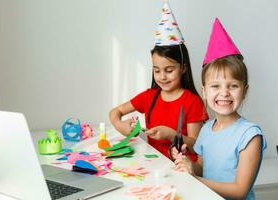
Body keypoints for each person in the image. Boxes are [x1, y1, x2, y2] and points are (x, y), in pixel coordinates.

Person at [172, 18, 267, 200]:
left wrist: (195, 178)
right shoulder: (206, 128)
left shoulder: (250, 135)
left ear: (245, 91)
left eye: (233, 86)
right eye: (215, 86)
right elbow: (203, 168)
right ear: (205, 91)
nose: (224, 93)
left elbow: (239, 191)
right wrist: (189, 165)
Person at [109, 1, 208, 160]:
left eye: (169, 70)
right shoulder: (149, 97)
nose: (162, 76)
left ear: (183, 68)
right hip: (154, 165)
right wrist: (119, 124)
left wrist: (172, 135)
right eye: (156, 70)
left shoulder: (192, 102)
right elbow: (115, 112)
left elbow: (197, 146)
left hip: (182, 168)